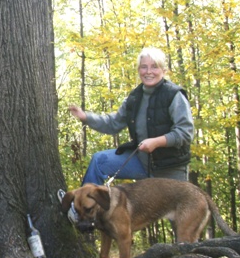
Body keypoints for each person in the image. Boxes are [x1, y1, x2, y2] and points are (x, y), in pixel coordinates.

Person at [65, 47, 194, 192]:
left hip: (170, 169)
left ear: (164, 70)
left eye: (154, 67)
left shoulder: (174, 95)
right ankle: (83, 211)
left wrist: (156, 142)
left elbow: (185, 133)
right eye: (144, 67)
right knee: (99, 160)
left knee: (177, 213)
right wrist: (86, 117)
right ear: (139, 70)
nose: (148, 72)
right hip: (141, 162)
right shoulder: (135, 97)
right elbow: (113, 123)